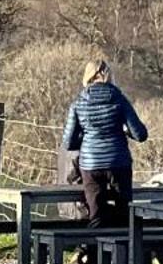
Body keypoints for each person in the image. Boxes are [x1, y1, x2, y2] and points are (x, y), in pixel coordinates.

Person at [62, 57, 148, 229]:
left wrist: (88, 139)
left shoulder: (78, 103)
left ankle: (95, 254)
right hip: (119, 161)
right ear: (108, 75)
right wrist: (123, 131)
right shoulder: (119, 99)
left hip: (91, 164)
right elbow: (140, 134)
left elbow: (68, 143)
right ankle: (124, 253)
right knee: (124, 214)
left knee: (96, 214)